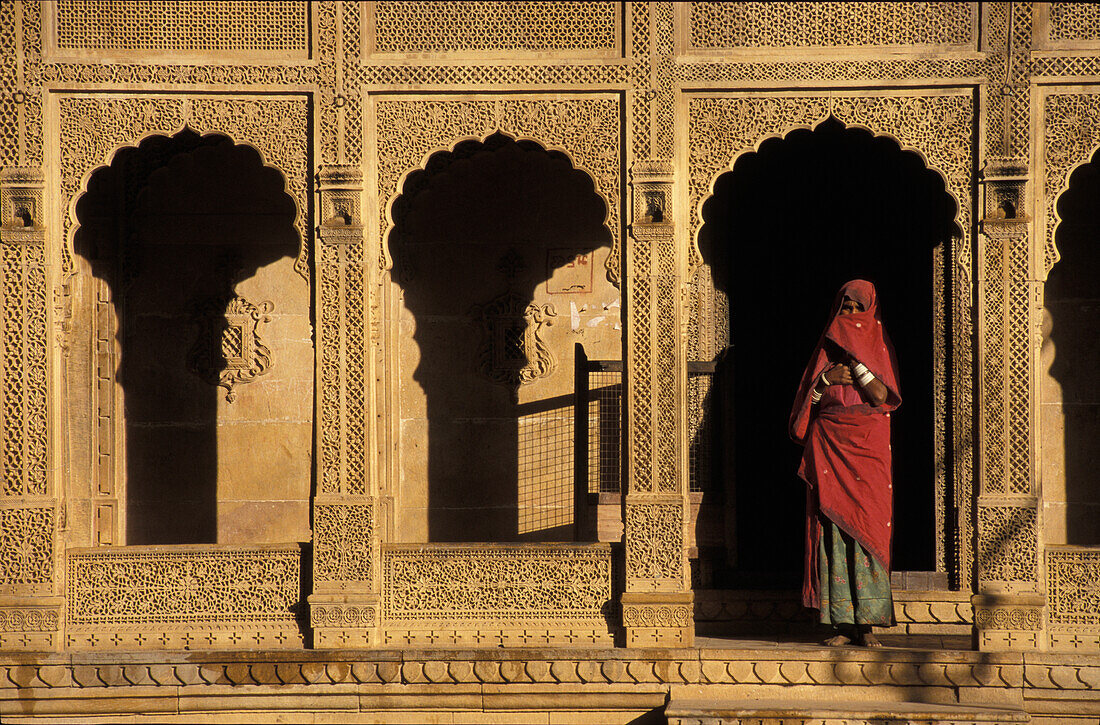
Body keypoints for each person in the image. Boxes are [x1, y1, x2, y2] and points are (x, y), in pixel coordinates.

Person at [789, 279, 901, 647]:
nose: (850, 315)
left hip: (867, 451)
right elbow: (801, 417)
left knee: (867, 530)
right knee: (834, 532)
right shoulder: (825, 354)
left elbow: (884, 397)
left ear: (871, 310)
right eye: (845, 307)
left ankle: (866, 625)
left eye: (857, 307)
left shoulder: (879, 348)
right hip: (830, 451)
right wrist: (825, 379)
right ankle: (838, 624)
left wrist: (858, 364)